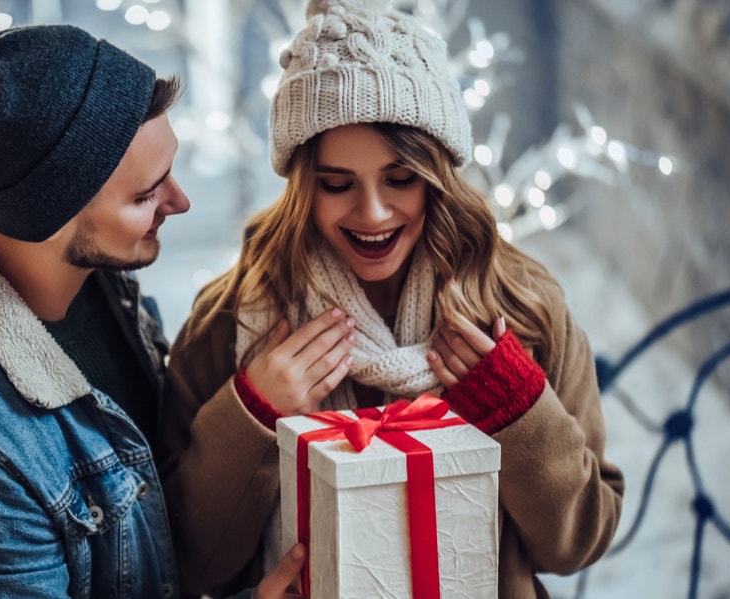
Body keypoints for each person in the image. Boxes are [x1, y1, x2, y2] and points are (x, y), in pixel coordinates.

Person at [159, 1, 626, 597]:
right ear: (303, 184)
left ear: (437, 174)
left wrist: (518, 413)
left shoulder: (522, 308)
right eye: (336, 184)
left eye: (400, 178)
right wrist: (252, 415)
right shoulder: (232, 321)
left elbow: (578, 543)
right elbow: (188, 560)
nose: (373, 213)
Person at [0, 23, 309, 599]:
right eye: (146, 195)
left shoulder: (89, 273)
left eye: (169, 170)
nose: (181, 202)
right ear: (51, 215)